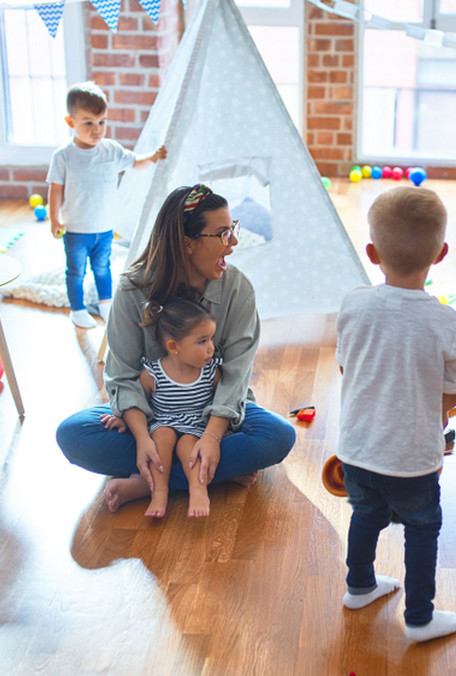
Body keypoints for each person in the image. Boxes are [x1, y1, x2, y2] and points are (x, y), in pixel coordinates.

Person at [55, 184, 296, 513]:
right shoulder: (132, 290)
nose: (234, 243)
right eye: (224, 234)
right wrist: (141, 436)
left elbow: (236, 376)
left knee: (278, 436)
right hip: (156, 420)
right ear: (187, 244)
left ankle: (150, 481)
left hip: (214, 416)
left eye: (232, 229)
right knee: (72, 435)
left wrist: (211, 437)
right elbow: (122, 375)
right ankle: (205, 474)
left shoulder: (236, 288)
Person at [335, 186, 456, 643]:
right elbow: (453, 390)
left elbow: (345, 365)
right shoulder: (445, 321)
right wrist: (440, 415)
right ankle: (419, 617)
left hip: (356, 449)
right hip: (411, 458)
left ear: (372, 253)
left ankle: (359, 586)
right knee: (422, 527)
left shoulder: (353, 305)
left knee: (365, 515)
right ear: (442, 253)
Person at [47, 81, 167, 329]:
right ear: (71, 122)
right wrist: (54, 219)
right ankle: (77, 309)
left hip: (103, 228)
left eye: (101, 122)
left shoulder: (110, 150)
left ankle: (105, 303)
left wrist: (153, 158)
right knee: (76, 272)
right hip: (76, 229)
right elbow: (55, 189)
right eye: (88, 123)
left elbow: (134, 162)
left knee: (103, 268)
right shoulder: (63, 156)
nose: (97, 129)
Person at [105, 299, 221, 519]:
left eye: (211, 339)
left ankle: (198, 489)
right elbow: (137, 402)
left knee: (188, 443)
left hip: (196, 427)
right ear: (174, 347)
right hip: (162, 422)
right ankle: (159, 492)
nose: (211, 348)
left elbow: (227, 400)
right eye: (202, 341)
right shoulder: (153, 373)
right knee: (162, 435)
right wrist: (122, 418)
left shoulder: (211, 372)